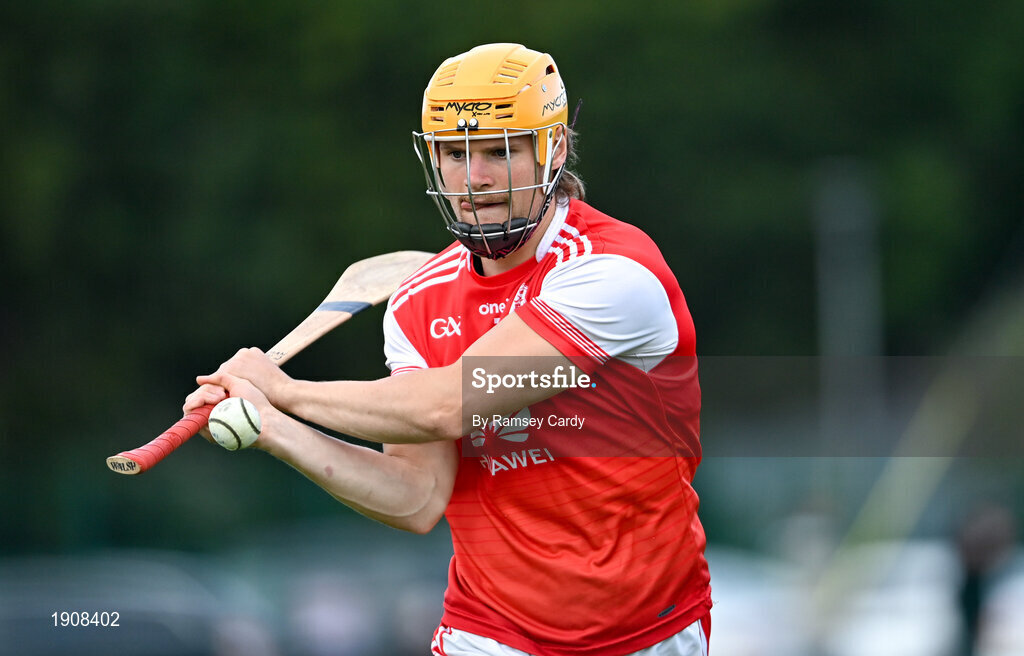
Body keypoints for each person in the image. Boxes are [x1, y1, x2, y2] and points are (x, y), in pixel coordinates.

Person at [185, 43, 712, 656]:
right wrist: (271, 427)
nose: (475, 178)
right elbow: (416, 496)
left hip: (645, 632)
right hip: (488, 633)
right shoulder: (418, 303)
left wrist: (286, 390)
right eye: (454, 154)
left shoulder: (613, 272)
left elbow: (452, 404)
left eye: (498, 151)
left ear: (555, 149)